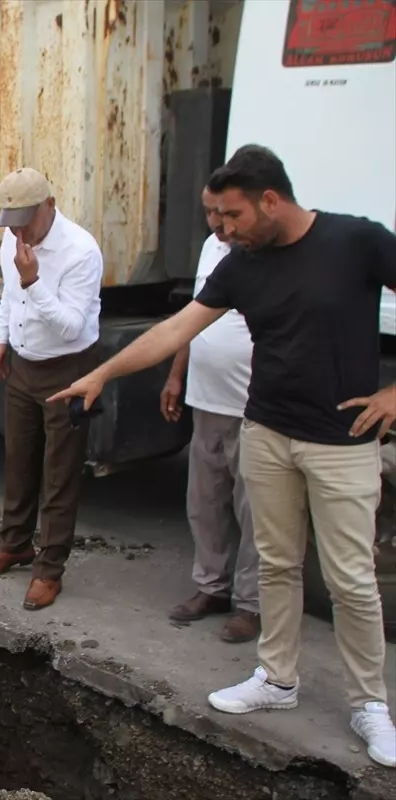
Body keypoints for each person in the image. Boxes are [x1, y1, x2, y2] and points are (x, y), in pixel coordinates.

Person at [47, 144, 396, 768]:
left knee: (351, 580)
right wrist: (101, 375)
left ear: (270, 200)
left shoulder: (357, 242)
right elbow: (174, 330)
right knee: (278, 566)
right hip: (264, 432)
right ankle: (278, 679)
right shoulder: (240, 266)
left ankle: (370, 703)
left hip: (341, 442)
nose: (222, 230)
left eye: (230, 216)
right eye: (216, 218)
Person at [0, 167, 103, 611]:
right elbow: (10, 294)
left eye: (27, 219)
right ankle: (15, 545)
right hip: (24, 365)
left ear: (50, 204)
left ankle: (50, 570)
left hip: (69, 369)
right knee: (17, 459)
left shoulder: (80, 251)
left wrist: (33, 280)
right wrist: (1, 340)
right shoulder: (14, 238)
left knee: (60, 473)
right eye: (12, 221)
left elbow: (71, 328)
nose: (19, 230)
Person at [161, 186, 259, 643]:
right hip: (207, 397)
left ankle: (250, 604)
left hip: (251, 403)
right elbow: (194, 315)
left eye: (221, 212)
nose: (216, 222)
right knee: (204, 502)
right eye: (208, 212)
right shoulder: (210, 246)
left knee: (255, 510)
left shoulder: (261, 250)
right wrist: (177, 375)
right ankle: (212, 587)